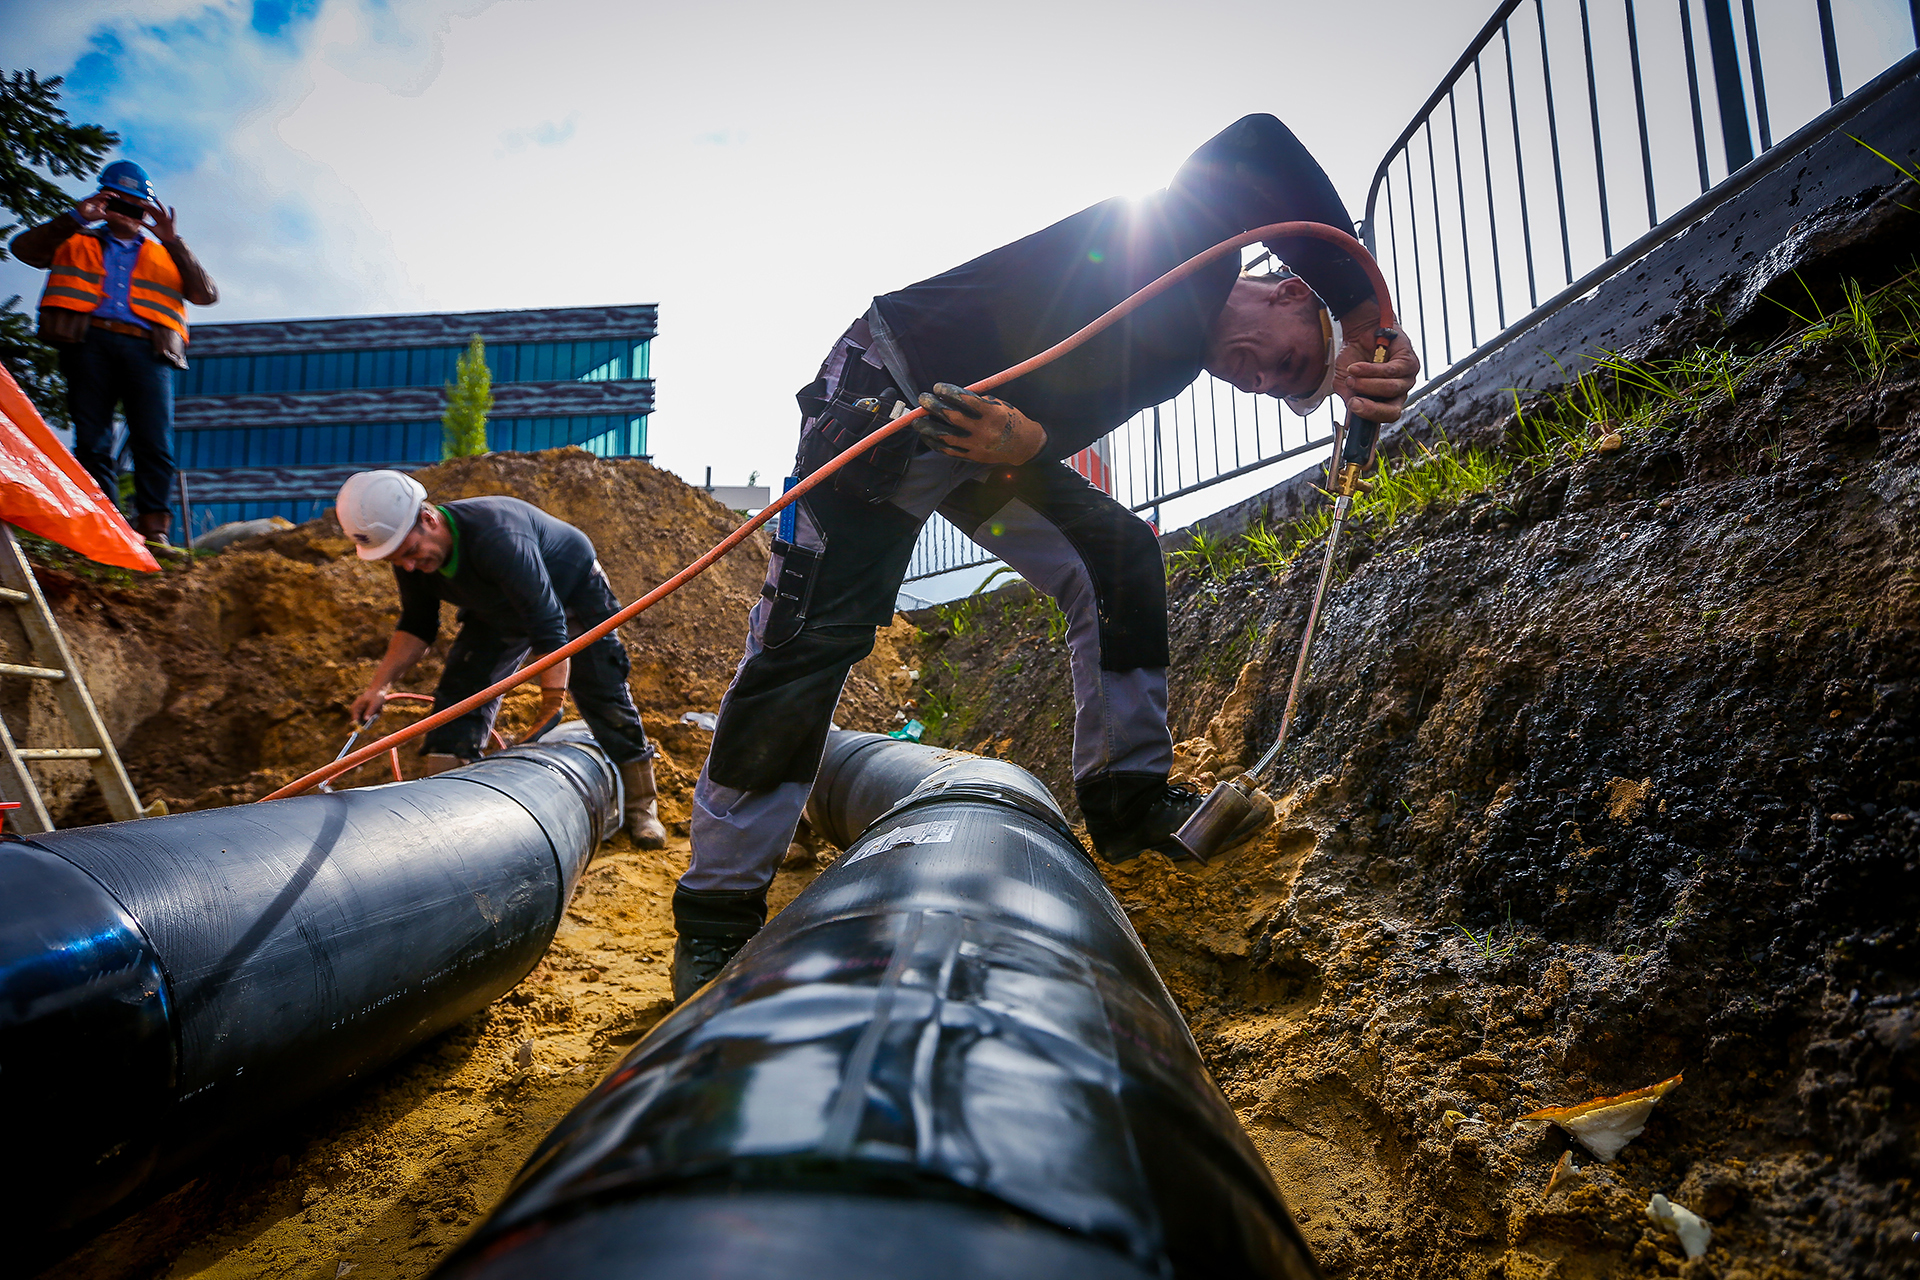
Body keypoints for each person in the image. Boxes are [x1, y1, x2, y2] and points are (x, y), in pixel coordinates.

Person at [671, 114, 1420, 1000]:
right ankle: (717, 915)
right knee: (810, 637)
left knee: (1116, 555)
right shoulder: (1199, 241)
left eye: (1274, 390)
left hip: (982, 445)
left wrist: (1033, 436)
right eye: (1286, 362)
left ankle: (1131, 808)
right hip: (891, 398)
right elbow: (1256, 143)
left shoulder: (1174, 358)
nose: (1256, 379)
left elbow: (1059, 394)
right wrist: (1365, 306)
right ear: (1292, 292)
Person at [336, 469, 667, 848]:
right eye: (396, 560)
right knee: (458, 701)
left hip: (572, 591)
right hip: (496, 606)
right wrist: (379, 687)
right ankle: (442, 812)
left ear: (428, 519)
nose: (408, 566)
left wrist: (551, 702)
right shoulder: (410, 560)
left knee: (602, 691)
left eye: (410, 552)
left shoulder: (497, 536)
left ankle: (643, 806)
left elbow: (547, 621)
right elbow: (417, 626)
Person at [9, 159, 218, 545]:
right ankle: (106, 523)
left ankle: (154, 528)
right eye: (118, 202)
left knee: (153, 440)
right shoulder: (74, 239)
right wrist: (76, 217)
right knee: (93, 439)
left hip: (148, 350)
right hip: (87, 344)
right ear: (103, 200)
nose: (127, 212)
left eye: (136, 206)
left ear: (147, 210)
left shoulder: (164, 253)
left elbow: (205, 294)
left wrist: (173, 240)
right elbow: (25, 250)